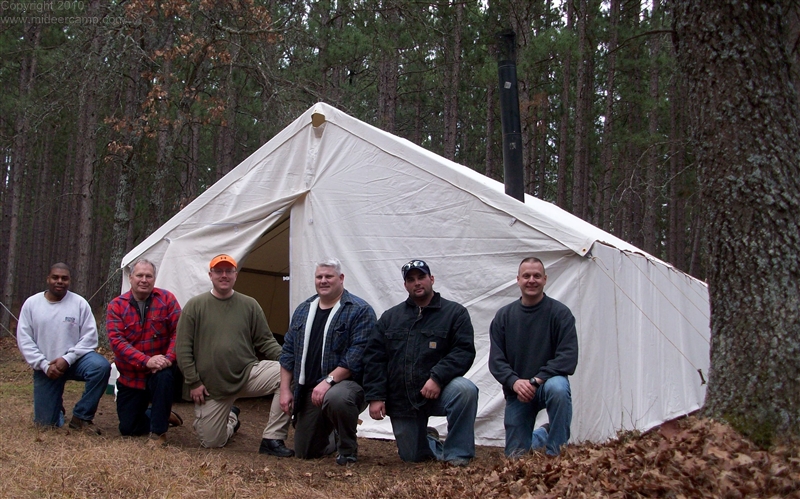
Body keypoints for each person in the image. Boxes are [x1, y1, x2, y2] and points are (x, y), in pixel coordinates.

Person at [363, 259, 478, 467]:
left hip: (439, 391)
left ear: (431, 279)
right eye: (411, 279)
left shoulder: (455, 314)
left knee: (466, 390)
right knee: (412, 457)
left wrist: (437, 377)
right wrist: (376, 396)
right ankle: (430, 439)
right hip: (402, 399)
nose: (417, 283)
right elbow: (374, 358)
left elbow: (463, 351)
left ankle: (458, 455)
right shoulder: (390, 318)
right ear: (405, 285)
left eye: (421, 277)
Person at [175, 254, 292, 455]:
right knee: (211, 443)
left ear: (235, 275)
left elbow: (265, 340)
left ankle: (273, 438)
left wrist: (288, 360)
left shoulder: (250, 305)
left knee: (289, 374)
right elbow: (183, 348)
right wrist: (193, 382)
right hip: (211, 387)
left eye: (229, 271)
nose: (224, 275)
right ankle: (231, 418)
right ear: (210, 275)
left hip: (248, 374)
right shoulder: (195, 306)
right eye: (219, 271)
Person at [279, 258, 377, 465]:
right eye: (319, 277)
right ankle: (332, 433)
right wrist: (286, 389)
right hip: (310, 389)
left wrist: (328, 381)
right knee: (305, 452)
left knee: (337, 398)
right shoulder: (303, 310)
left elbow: (358, 353)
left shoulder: (360, 310)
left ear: (341, 278)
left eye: (329, 276)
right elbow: (288, 350)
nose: (323, 281)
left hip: (346, 386)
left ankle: (347, 449)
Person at [489, 257, 579, 457]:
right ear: (518, 279)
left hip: (546, 384)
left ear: (545, 279)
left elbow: (567, 357)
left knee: (559, 388)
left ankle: (556, 452)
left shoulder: (560, 314)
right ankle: (542, 436)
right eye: (526, 276)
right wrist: (514, 382)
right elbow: (497, 361)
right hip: (518, 393)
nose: (532, 280)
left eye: (537, 276)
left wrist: (535, 381)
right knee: (516, 457)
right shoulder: (503, 317)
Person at [16, 263, 111, 433]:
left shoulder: (79, 303)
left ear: (69, 281)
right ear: (48, 279)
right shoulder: (32, 304)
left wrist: (67, 359)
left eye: (64, 278)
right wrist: (44, 365)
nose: (60, 281)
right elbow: (25, 340)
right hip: (47, 368)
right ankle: (57, 409)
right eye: (55, 277)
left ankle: (81, 416)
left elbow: (89, 338)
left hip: (76, 362)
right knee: (45, 425)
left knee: (101, 367)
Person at [106, 259, 183, 446]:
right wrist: (145, 361)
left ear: (154, 278)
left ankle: (158, 434)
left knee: (165, 376)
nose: (144, 280)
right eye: (139, 275)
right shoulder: (116, 306)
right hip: (131, 376)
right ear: (131, 278)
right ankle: (160, 414)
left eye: (148, 276)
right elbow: (117, 343)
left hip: (159, 371)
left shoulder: (167, 299)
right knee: (128, 429)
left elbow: (179, 332)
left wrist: (168, 358)